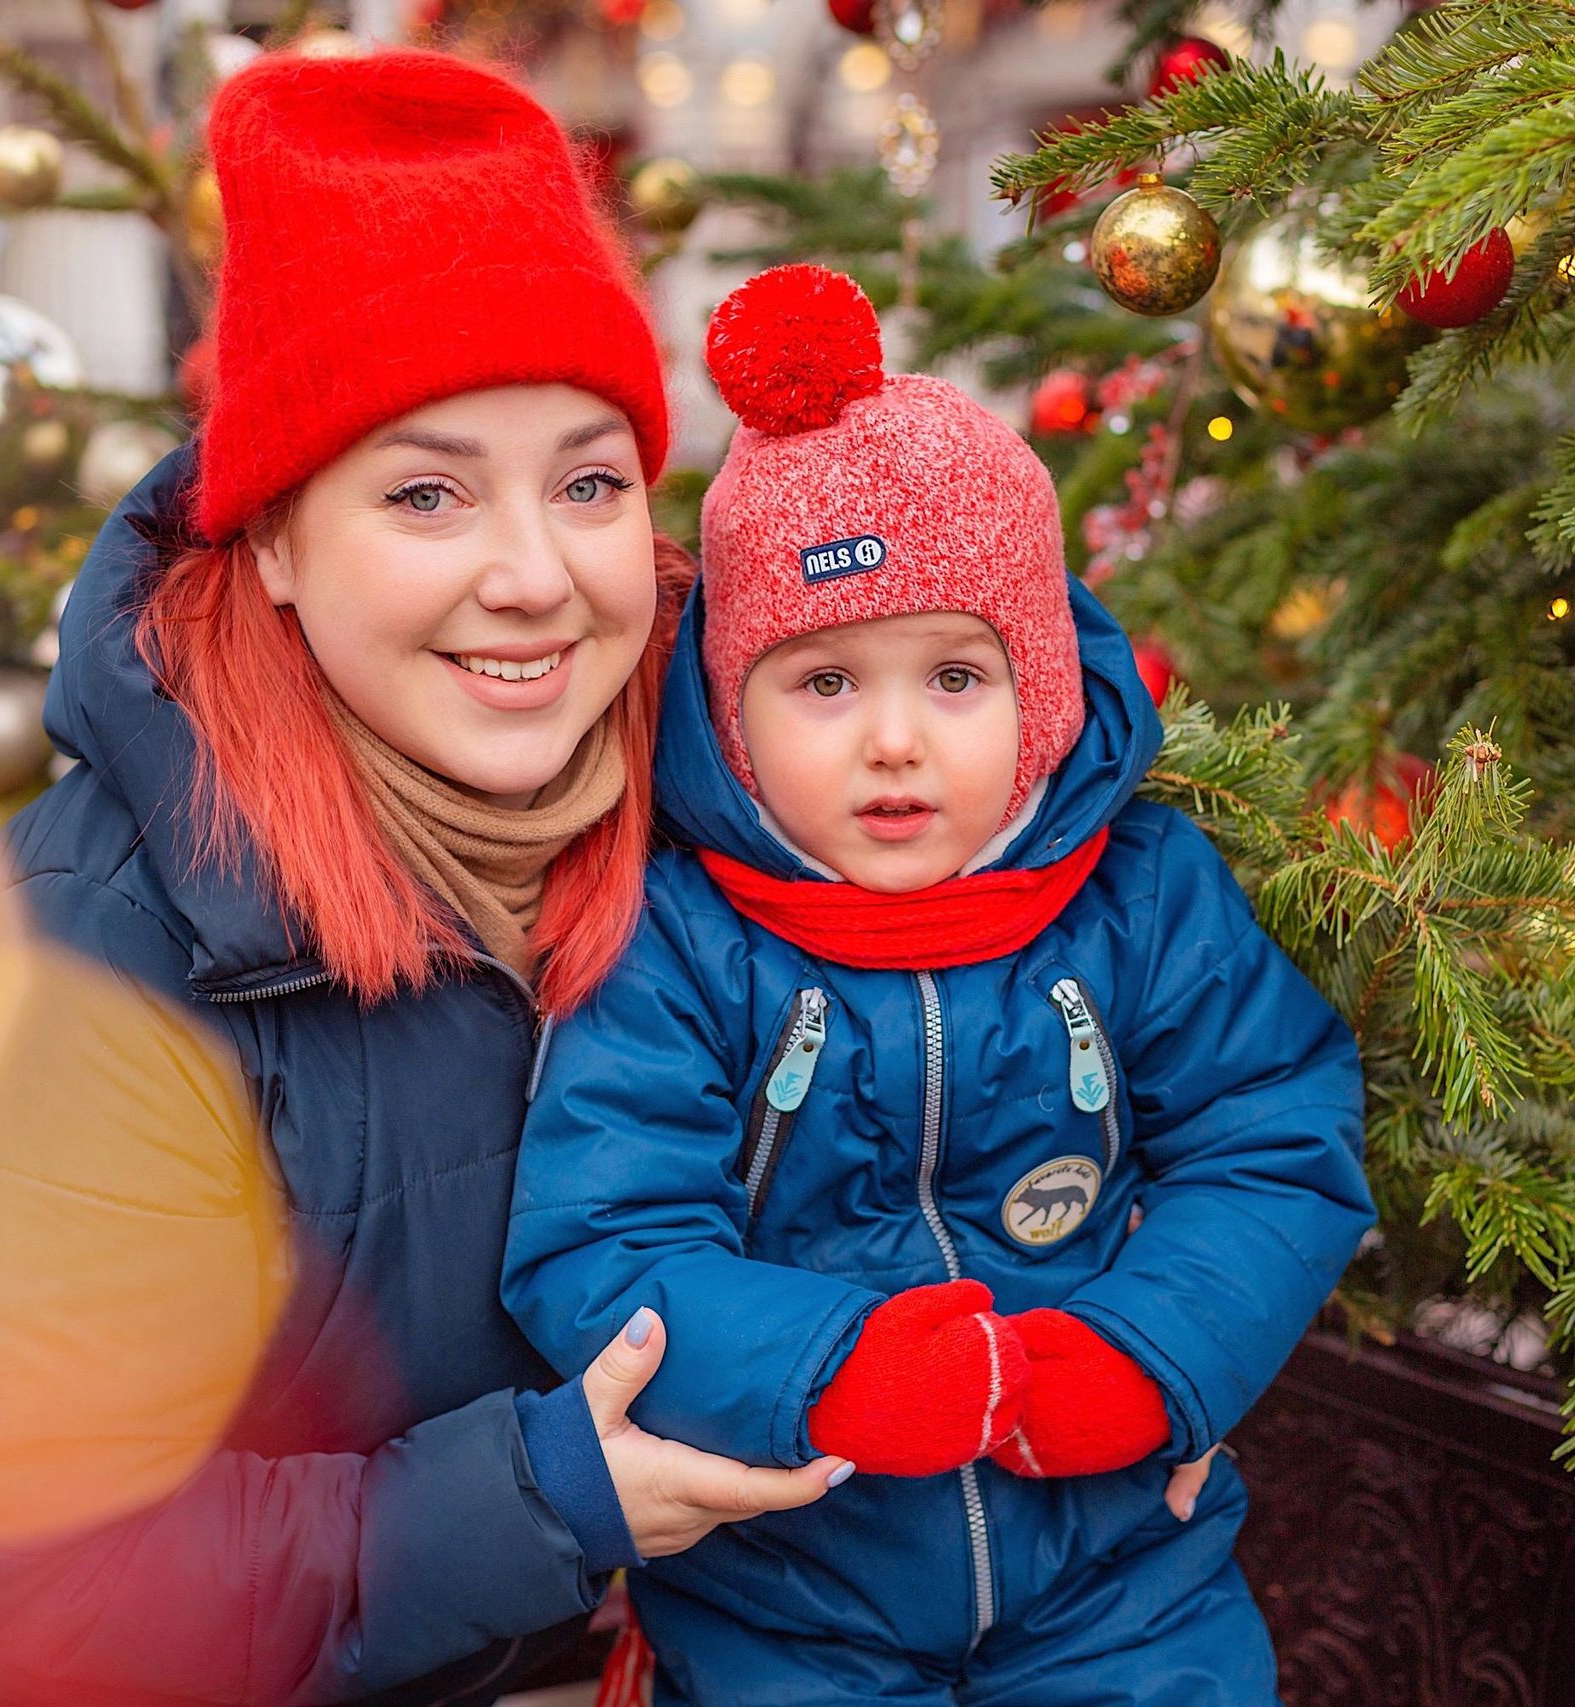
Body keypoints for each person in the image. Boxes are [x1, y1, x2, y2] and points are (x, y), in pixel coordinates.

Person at [0, 54, 845, 1707]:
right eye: (426, 493)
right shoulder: (101, 949)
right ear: (271, 540)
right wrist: (550, 1495)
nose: (536, 577)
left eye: (588, 482)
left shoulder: (703, 780)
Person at [504, 266, 1375, 1704]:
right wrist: (831, 1365)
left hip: (1118, 1575)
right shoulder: (679, 932)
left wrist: (1145, 1357)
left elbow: (1270, 1143)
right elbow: (601, 1233)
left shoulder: (1136, 892)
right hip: (785, 1584)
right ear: (733, 713)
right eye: (825, 684)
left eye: (955, 679)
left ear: (1037, 688)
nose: (894, 742)